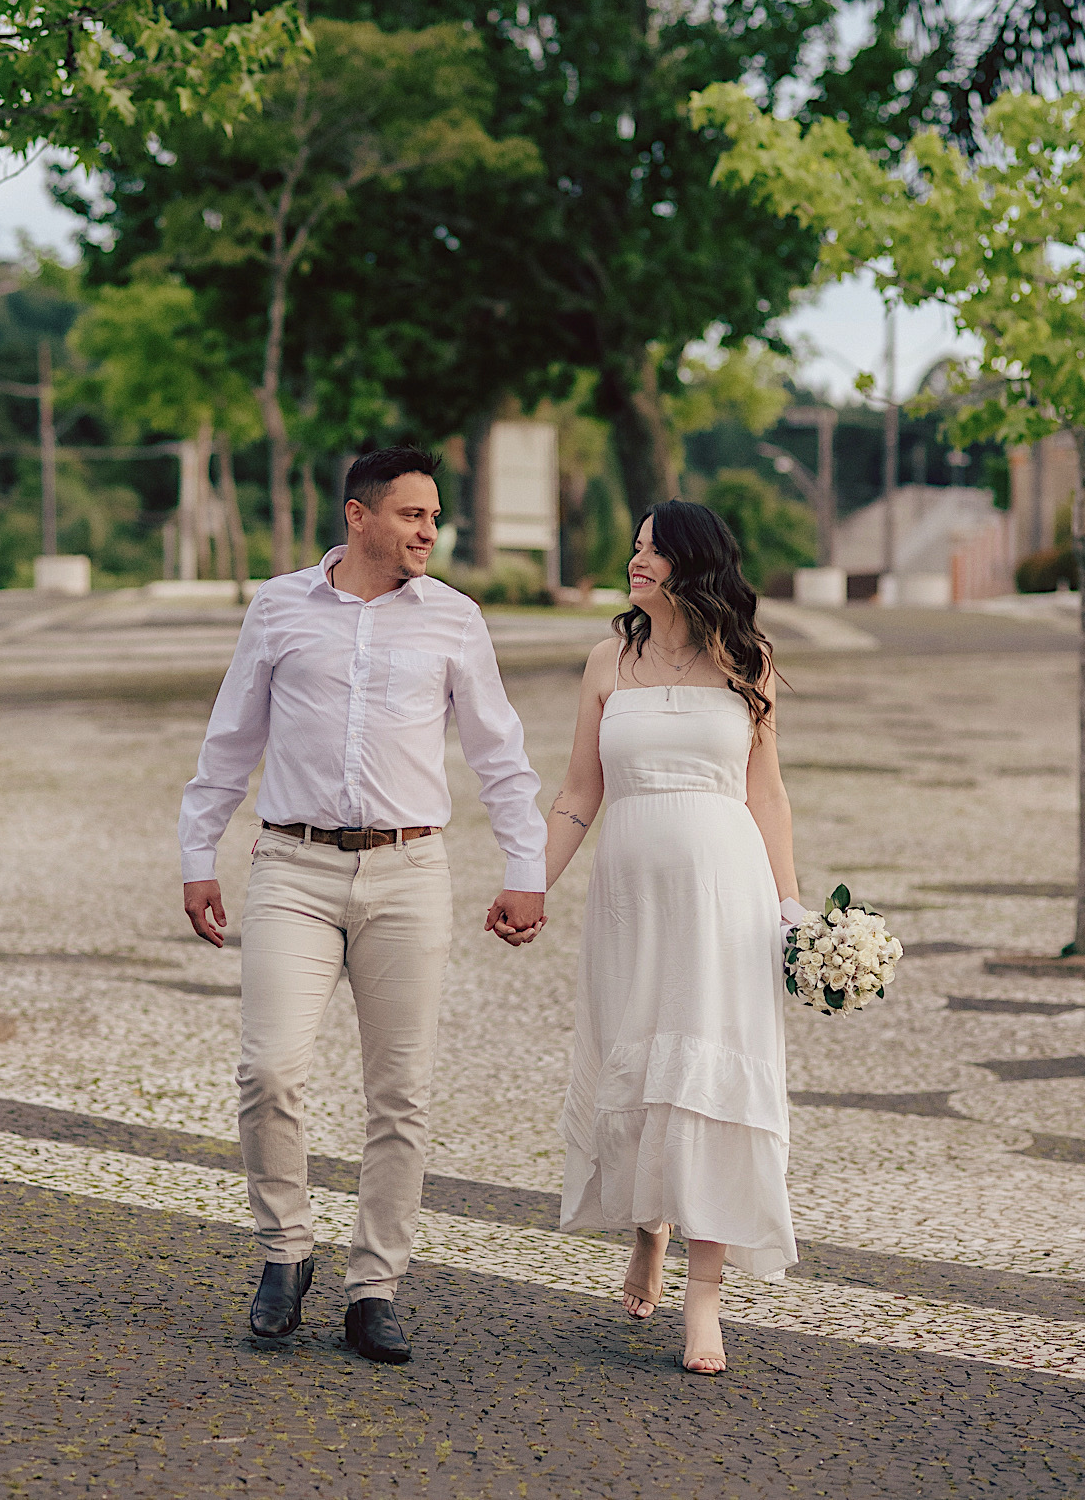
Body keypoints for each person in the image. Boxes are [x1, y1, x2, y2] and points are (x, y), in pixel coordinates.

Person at [179, 447, 546, 1364]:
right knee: (268, 1070)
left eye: (435, 517)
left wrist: (526, 864)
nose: (429, 530)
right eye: (413, 514)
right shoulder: (278, 608)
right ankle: (284, 1252)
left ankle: (374, 1285)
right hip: (291, 868)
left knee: (400, 1093)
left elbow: (499, 753)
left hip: (410, 872)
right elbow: (231, 738)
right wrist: (198, 853)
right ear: (359, 515)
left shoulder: (456, 620)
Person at [544, 501, 804, 1375]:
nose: (635, 558)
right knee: (644, 1061)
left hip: (727, 895)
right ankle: (647, 1226)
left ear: (692, 564)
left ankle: (705, 1298)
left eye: (652, 548)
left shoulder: (747, 660)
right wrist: (528, 882)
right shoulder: (606, 661)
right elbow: (580, 792)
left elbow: (766, 795)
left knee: (710, 1075)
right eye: (635, 545)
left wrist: (794, 912)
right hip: (630, 896)